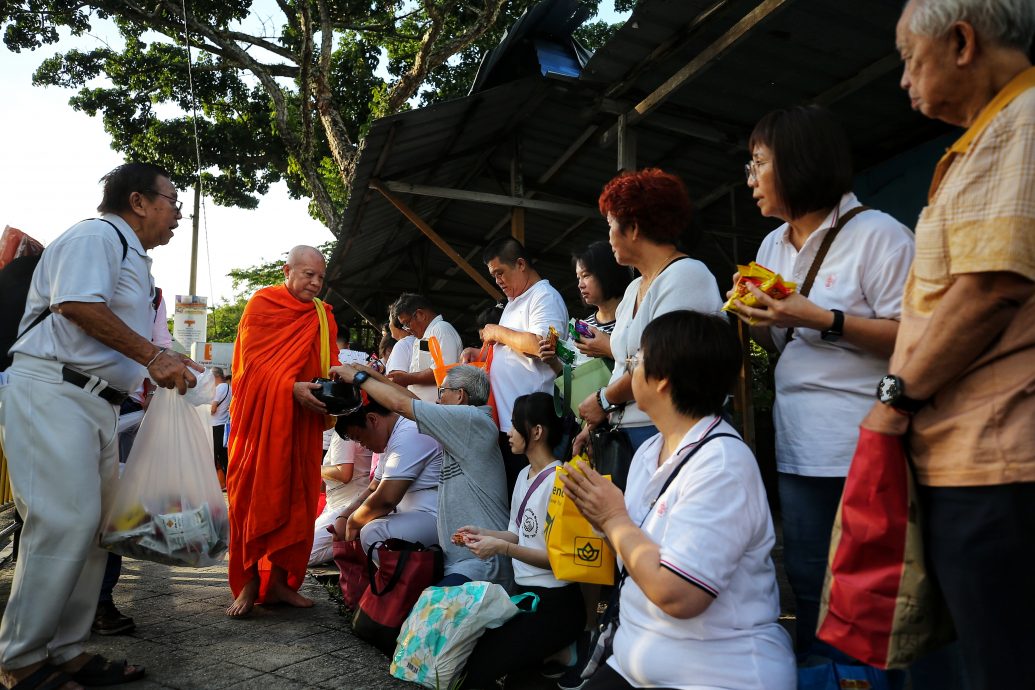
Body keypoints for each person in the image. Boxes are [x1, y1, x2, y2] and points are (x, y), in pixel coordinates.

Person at [855, 4, 1035, 688]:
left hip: (995, 458)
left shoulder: (1020, 123)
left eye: (909, 57)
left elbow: (987, 290)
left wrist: (893, 399)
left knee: (1003, 661)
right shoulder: (987, 136)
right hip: (967, 454)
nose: (903, 79)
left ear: (961, 42)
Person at [0, 162, 200, 689]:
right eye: (173, 200)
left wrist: (168, 362)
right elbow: (75, 304)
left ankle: (65, 650)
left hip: (98, 403)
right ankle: (20, 661)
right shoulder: (99, 234)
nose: (178, 213)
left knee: (95, 531)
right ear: (138, 202)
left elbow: (118, 330)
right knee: (63, 520)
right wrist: (153, 356)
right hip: (54, 391)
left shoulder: (133, 257)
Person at [727, 104, 915, 659]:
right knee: (809, 583)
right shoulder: (771, 249)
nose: (751, 177)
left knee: (877, 590)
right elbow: (782, 345)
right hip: (798, 449)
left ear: (799, 163)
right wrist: (760, 320)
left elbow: (916, 338)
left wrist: (819, 318)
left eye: (759, 162)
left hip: (868, 447)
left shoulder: (879, 235)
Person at [560, 311, 795, 690]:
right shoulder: (649, 450)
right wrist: (597, 516)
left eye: (635, 361)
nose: (629, 370)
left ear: (663, 380)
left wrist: (612, 516)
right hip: (637, 659)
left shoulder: (722, 465)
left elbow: (679, 594)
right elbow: (636, 549)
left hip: (715, 673)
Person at [225, 245, 339, 618]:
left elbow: (329, 364)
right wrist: (290, 388)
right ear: (286, 270)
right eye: (308, 274)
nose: (316, 283)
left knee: (295, 502)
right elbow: (249, 369)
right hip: (260, 426)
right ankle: (248, 584)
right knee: (254, 498)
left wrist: (339, 386)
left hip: (302, 427)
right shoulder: (261, 305)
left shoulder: (323, 316)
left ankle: (277, 583)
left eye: (320, 277)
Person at [575, 169, 723, 454]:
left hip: (672, 434)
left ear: (633, 229)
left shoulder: (687, 276)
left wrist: (603, 400)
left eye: (610, 225)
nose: (608, 237)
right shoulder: (632, 290)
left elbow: (660, 364)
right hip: (627, 432)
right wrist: (594, 423)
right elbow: (623, 366)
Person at [331, 363, 512, 586]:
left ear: (459, 396)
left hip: (483, 564)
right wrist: (371, 375)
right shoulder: (465, 424)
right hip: (463, 560)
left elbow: (402, 404)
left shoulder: (471, 421)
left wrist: (359, 378)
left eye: (441, 392)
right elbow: (411, 401)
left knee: (421, 618)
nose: (437, 400)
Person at [455, 392, 585, 689]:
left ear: (537, 431)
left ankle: (563, 647)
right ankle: (557, 653)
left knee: (480, 669)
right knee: (481, 658)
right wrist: (482, 533)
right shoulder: (525, 473)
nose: (509, 433)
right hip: (525, 596)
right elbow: (517, 533)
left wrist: (502, 547)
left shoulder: (561, 481)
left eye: (515, 426)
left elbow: (558, 560)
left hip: (555, 603)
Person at [464, 237, 568, 492]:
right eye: (493, 275)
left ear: (520, 264)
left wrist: (496, 332)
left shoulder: (544, 296)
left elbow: (540, 345)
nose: (498, 280)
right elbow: (512, 349)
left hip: (533, 422)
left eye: (501, 272)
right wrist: (479, 352)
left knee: (532, 496)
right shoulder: (514, 302)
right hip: (510, 422)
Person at [330, 399, 442, 558]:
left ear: (372, 419)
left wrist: (353, 522)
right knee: (361, 522)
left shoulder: (410, 432)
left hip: (435, 516)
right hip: (414, 513)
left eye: (360, 438)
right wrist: (345, 516)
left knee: (373, 533)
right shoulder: (392, 436)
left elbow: (386, 500)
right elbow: (374, 487)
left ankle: (400, 582)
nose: (363, 446)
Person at [309, 434, 373, 565]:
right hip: (339, 502)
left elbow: (344, 473)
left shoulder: (344, 430)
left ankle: (356, 542)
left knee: (304, 554)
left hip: (351, 503)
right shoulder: (343, 429)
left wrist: (311, 467)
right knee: (299, 546)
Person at [386, 293, 463, 402]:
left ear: (420, 314)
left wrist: (408, 378)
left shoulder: (441, 329)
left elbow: (444, 371)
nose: (407, 329)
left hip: (437, 410)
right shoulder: (421, 337)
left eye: (407, 323)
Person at [209, 366, 232, 482]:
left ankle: (211, 483)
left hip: (215, 425)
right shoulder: (229, 387)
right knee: (224, 457)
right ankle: (229, 482)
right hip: (224, 426)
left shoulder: (219, 388)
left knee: (212, 455)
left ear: (216, 376)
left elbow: (213, 409)